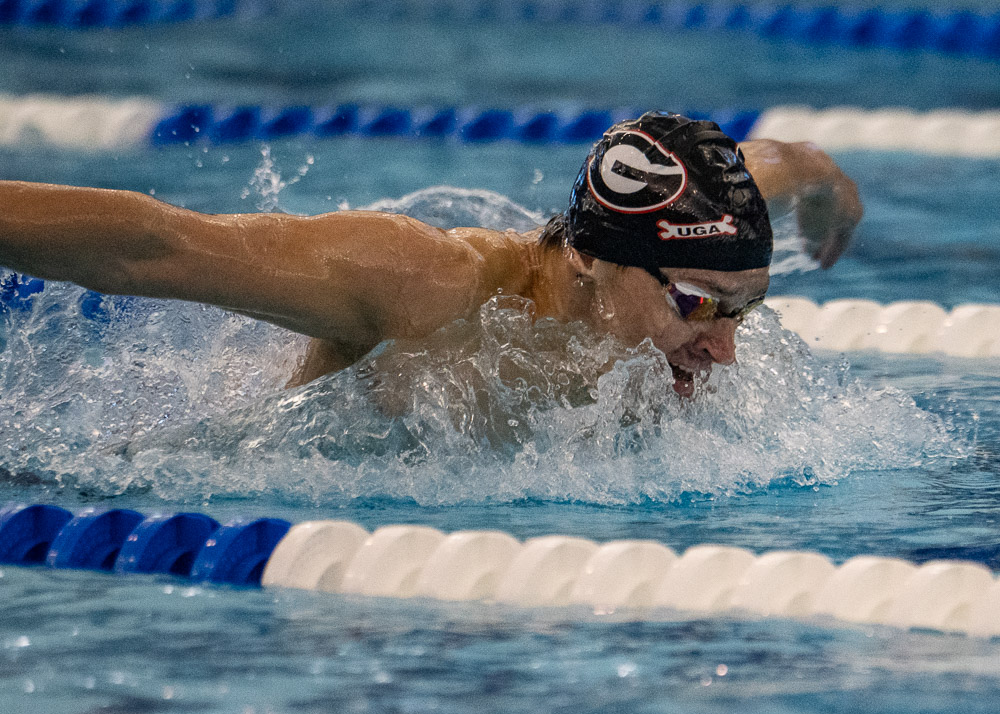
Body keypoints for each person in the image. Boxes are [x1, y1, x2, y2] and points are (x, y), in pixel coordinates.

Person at [0, 112, 861, 397]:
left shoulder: (689, 247)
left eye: (745, 309)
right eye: (702, 306)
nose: (726, 350)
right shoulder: (428, 286)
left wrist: (821, 179)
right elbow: (158, 247)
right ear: (597, 258)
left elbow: (768, 167)